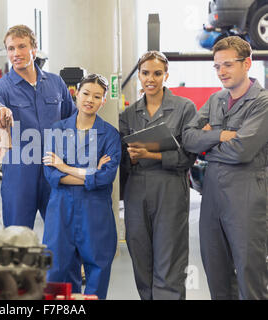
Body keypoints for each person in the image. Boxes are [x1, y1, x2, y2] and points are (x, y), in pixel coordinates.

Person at [183, 36, 268, 300]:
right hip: (212, 198)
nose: (221, 72)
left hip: (246, 196)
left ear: (247, 64)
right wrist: (221, 135)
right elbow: (188, 137)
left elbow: (242, 150)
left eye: (228, 65)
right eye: (217, 66)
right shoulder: (216, 99)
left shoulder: (262, 103)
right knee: (216, 271)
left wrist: (206, 143)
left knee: (249, 274)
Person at [119, 51, 197, 300]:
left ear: (166, 76)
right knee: (141, 259)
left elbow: (189, 156)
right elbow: (122, 162)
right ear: (139, 76)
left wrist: (152, 155)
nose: (150, 79)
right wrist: (129, 158)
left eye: (157, 73)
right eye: (145, 73)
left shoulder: (184, 108)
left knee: (169, 260)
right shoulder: (128, 115)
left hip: (170, 188)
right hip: (137, 191)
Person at [0, 25, 76, 229]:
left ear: (34, 49)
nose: (16, 53)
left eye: (21, 46)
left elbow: (73, 119)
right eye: (11, 48)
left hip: (55, 169)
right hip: (19, 173)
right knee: (17, 236)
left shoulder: (56, 83)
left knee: (62, 233)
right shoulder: (2, 87)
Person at [42, 74, 120, 299]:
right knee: (57, 272)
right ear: (76, 93)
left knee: (98, 268)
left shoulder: (110, 135)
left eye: (97, 96)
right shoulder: (57, 130)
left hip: (94, 212)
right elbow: (51, 175)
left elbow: (105, 178)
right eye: (86, 93)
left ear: (103, 101)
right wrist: (91, 173)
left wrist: (64, 166)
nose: (90, 100)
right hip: (61, 210)